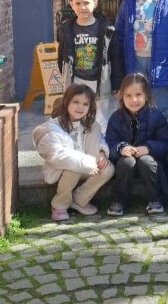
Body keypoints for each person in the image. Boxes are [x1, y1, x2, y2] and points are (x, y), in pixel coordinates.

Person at [32, 83, 114, 222]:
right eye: (76, 102)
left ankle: (79, 199)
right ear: (66, 101)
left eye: (85, 104)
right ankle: (59, 205)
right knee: (73, 168)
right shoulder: (53, 127)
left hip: (88, 166)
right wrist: (87, 163)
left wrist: (101, 152)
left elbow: (100, 139)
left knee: (108, 169)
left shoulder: (91, 124)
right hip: (61, 169)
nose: (80, 107)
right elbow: (58, 155)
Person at [105, 73, 168, 216]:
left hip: (149, 162)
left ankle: (155, 200)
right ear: (122, 97)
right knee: (127, 162)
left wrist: (149, 148)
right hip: (124, 164)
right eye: (128, 95)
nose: (134, 100)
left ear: (146, 95)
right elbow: (109, 144)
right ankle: (118, 201)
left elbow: (167, 144)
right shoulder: (115, 118)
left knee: (146, 160)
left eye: (138, 94)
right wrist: (120, 148)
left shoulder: (156, 116)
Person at [57, 0, 116, 127]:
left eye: (86, 3)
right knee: (76, 117)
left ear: (95, 3)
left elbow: (114, 56)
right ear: (71, 4)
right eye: (78, 3)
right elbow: (61, 55)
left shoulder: (106, 28)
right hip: (76, 79)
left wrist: (116, 82)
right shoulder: (66, 28)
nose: (82, 7)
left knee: (100, 120)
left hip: (99, 81)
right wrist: (65, 77)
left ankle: (99, 141)